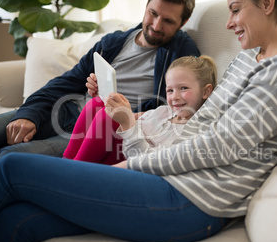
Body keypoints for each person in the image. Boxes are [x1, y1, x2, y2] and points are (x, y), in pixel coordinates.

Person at [0, 0, 277, 242]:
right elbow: (198, 124)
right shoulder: (249, 57)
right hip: (168, 178)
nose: (230, 23)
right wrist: (144, 154)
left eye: (235, 10)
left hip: (194, 201)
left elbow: (218, 146)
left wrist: (132, 164)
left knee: (11, 166)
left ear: (267, 2)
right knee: (17, 221)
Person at [0, 0, 200, 176]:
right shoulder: (113, 42)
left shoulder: (181, 54)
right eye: (153, 13)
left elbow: (176, 108)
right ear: (146, 6)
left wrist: (123, 109)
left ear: (182, 23)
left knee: (7, 158)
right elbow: (64, 83)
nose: (156, 25)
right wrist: (29, 114)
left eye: (168, 21)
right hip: (68, 110)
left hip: (95, 133)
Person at [62, 55, 216, 164]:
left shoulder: (194, 132)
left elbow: (153, 162)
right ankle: (66, 163)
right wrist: (105, 98)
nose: (174, 97)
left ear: (206, 91)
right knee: (96, 104)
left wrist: (125, 121)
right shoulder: (164, 111)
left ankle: (72, 173)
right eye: (170, 90)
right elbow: (129, 116)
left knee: (106, 117)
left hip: (132, 160)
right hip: (120, 147)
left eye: (183, 88)